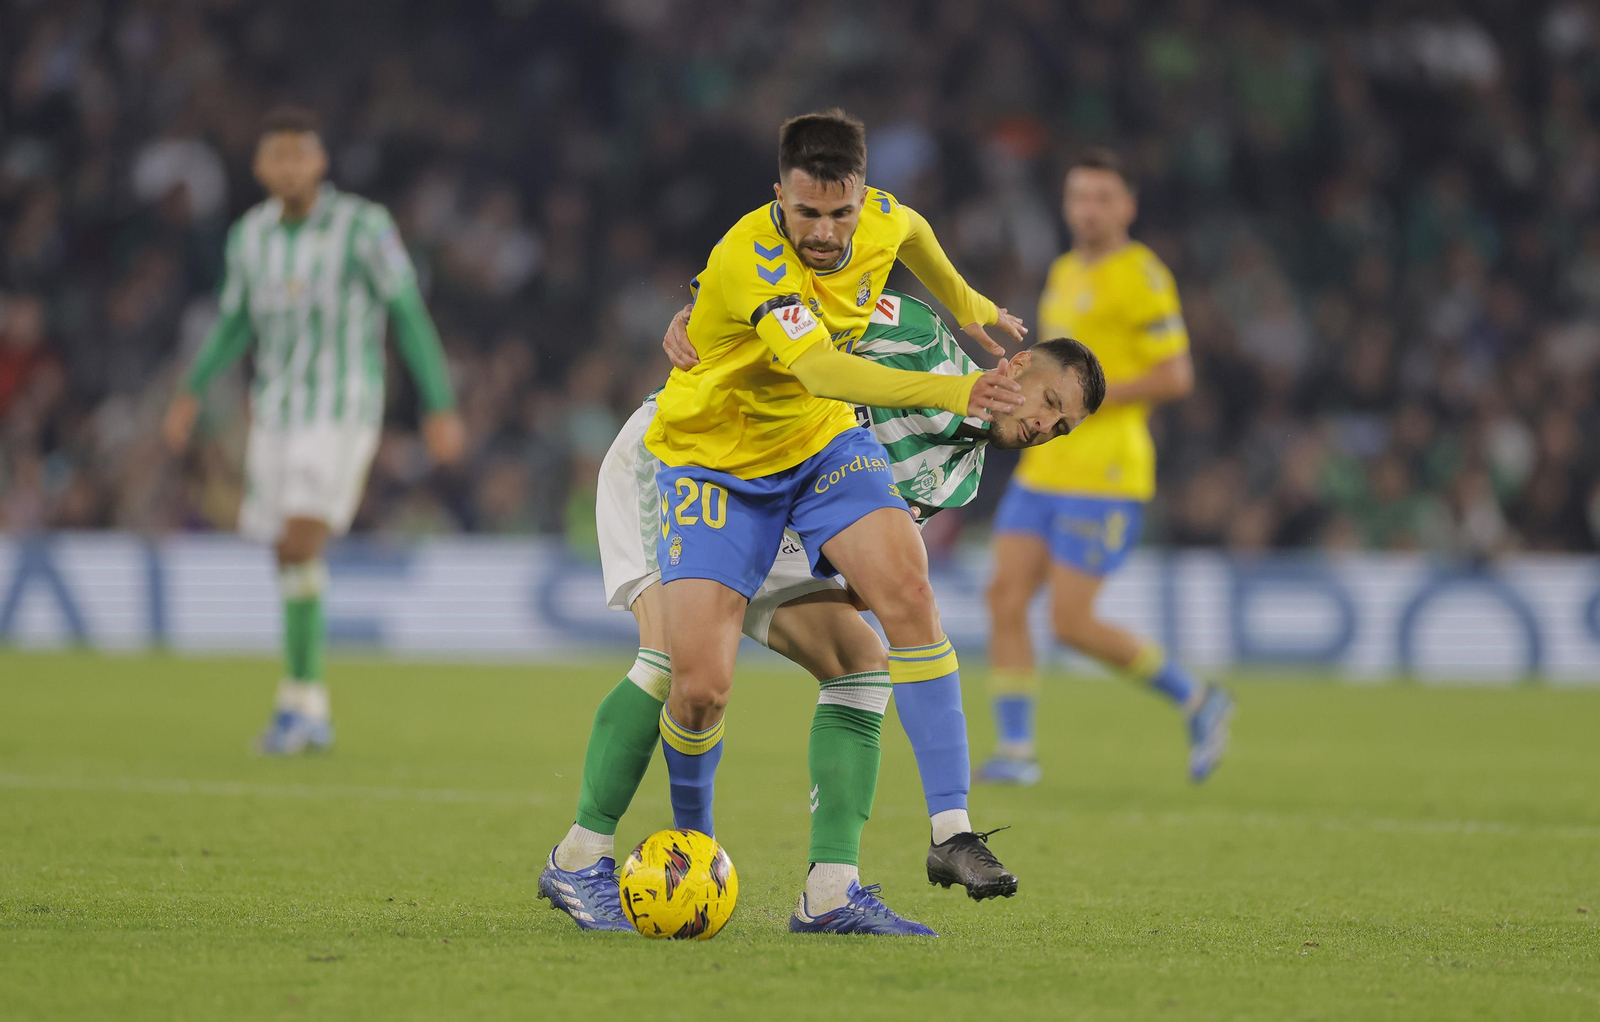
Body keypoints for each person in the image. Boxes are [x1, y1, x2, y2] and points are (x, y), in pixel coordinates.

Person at [539, 289, 1104, 935]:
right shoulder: (912, 334)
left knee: (861, 665)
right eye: (1049, 402)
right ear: (1020, 361)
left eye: (1060, 428)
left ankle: (831, 891)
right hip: (691, 453)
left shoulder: (957, 477)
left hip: (778, 510)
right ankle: (580, 857)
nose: (1043, 425)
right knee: (674, 659)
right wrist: (703, 311)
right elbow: (784, 297)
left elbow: (860, 564)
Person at [589, 108, 1027, 936]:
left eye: (842, 213)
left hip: (819, 450)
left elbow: (917, 233)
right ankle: (647, 852)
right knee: (692, 681)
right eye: (807, 214)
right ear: (778, 198)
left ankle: (938, 838)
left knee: (902, 608)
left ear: (863, 195)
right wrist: (959, 386)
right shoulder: (751, 255)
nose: (825, 232)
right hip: (713, 456)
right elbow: (825, 367)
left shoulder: (886, 220)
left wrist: (974, 305)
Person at [163, 106, 465, 754]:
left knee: (300, 540)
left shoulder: (364, 227)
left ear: (321, 161)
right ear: (260, 166)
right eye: (279, 155)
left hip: (341, 408)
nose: (291, 166)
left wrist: (439, 403)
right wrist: (190, 391)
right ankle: (309, 704)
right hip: (274, 413)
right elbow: (233, 323)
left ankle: (298, 701)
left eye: (302, 154)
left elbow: (407, 311)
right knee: (287, 552)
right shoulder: (249, 236)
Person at [980, 149, 1232, 787]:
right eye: (1077, 197)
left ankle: (1198, 698)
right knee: (1004, 597)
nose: (1086, 210)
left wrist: (1085, 400)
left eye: (1101, 198)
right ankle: (1016, 751)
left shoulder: (1142, 275)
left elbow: (1177, 374)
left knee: (1070, 622)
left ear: (1128, 206)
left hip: (1106, 476)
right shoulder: (1063, 271)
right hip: (1045, 469)